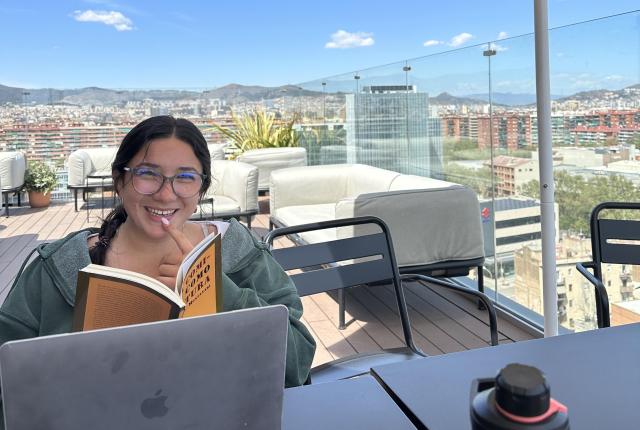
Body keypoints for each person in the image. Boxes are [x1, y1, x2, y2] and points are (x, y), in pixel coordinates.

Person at [0, 116, 316, 389]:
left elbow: (297, 364)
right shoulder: (57, 269)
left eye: (185, 177)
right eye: (147, 174)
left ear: (202, 189)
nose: (166, 194)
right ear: (119, 180)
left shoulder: (240, 254)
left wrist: (223, 297)